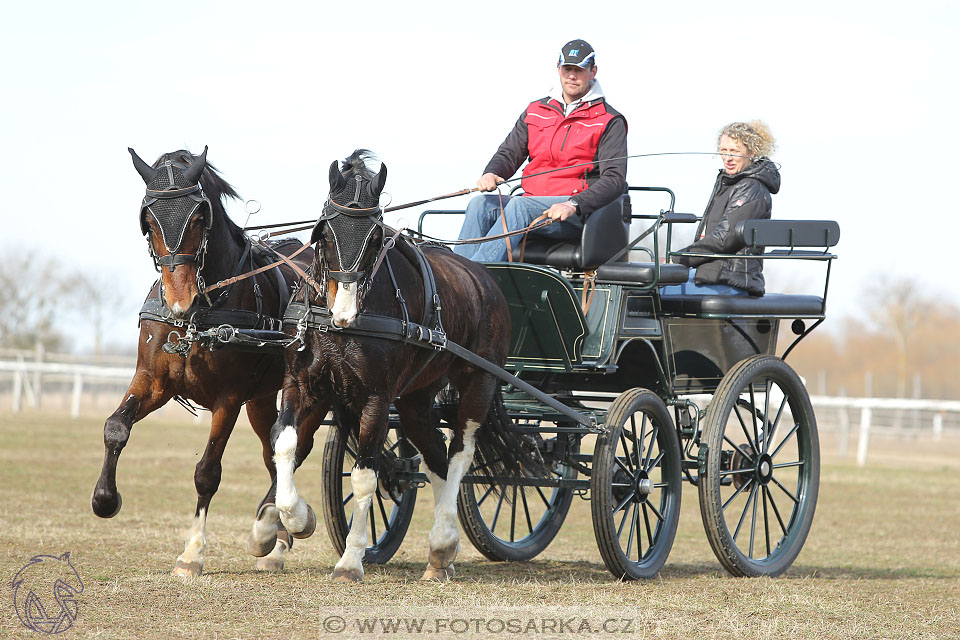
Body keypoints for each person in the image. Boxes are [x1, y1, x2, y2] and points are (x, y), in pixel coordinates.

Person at [454, 39, 628, 262]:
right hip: (529, 205)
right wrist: (492, 172)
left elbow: (614, 180)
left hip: (573, 213)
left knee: (519, 205)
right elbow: (509, 153)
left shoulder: (608, 120)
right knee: (480, 204)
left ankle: (478, 279)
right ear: (558, 69)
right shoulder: (536, 110)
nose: (572, 76)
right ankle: (458, 279)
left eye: (579, 70)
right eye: (567, 69)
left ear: (592, 71)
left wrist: (573, 204)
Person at [668, 120, 779, 297]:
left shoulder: (751, 188)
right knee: (655, 282)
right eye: (724, 151)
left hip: (732, 280)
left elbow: (723, 238)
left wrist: (676, 259)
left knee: (656, 291)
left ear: (751, 153)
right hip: (713, 275)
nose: (728, 158)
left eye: (735, 152)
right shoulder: (731, 184)